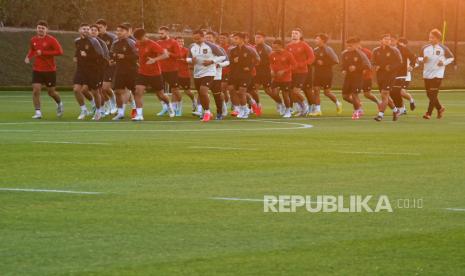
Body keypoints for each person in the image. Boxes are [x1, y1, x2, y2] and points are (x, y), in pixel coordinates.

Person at [24, 20, 64, 119]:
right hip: (37, 69)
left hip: (50, 70)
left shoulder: (51, 40)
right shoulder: (33, 40)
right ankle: (38, 113)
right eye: (39, 28)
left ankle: (59, 103)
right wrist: (28, 57)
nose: (41, 29)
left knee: (51, 92)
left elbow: (60, 52)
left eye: (43, 28)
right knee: (36, 90)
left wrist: (44, 52)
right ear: (36, 29)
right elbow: (32, 50)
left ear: (46, 29)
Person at [187, 30, 227, 122]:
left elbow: (223, 58)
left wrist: (212, 61)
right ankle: (206, 112)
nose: (196, 40)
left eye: (198, 38)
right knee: (201, 94)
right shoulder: (192, 46)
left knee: (208, 92)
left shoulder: (213, 47)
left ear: (203, 37)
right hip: (197, 73)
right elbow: (188, 59)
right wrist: (191, 61)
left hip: (212, 73)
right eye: (194, 38)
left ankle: (218, 112)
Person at [133, 28, 171, 121]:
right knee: (137, 92)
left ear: (144, 36)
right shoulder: (137, 43)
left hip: (155, 73)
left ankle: (169, 106)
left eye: (140, 39)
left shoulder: (152, 44)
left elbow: (166, 55)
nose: (138, 41)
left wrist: (154, 60)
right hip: (142, 73)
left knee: (161, 95)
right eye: (137, 39)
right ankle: (139, 115)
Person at [418, 29, 454, 119]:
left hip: (438, 74)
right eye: (430, 37)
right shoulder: (424, 48)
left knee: (433, 94)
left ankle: (428, 113)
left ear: (438, 39)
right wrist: (423, 60)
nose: (430, 39)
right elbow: (419, 58)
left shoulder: (443, 48)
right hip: (426, 74)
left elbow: (451, 58)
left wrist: (443, 63)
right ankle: (440, 108)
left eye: (432, 38)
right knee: (429, 94)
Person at [109, 24, 138, 120]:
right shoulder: (115, 43)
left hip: (131, 70)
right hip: (119, 69)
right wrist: (112, 59)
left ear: (127, 32)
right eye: (117, 31)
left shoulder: (132, 42)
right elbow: (112, 54)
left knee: (135, 91)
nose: (118, 32)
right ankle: (120, 113)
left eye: (121, 31)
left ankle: (137, 111)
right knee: (117, 91)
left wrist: (125, 57)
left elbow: (137, 56)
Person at [372, 34, 402, 122]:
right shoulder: (376, 50)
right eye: (385, 39)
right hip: (380, 76)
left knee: (384, 94)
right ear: (380, 40)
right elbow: (372, 62)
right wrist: (375, 66)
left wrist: (391, 67)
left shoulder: (394, 50)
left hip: (390, 76)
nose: (387, 41)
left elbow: (400, 62)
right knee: (386, 96)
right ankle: (396, 111)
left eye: (389, 39)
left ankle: (380, 115)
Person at [228, 32, 259, 119]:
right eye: (234, 39)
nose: (234, 40)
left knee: (242, 92)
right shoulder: (232, 50)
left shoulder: (249, 50)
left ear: (242, 39)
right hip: (234, 74)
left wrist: (249, 67)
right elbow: (230, 61)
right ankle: (240, 108)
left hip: (245, 75)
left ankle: (245, 110)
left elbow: (257, 60)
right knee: (232, 90)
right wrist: (234, 61)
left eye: (236, 39)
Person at [310, 33, 342, 116]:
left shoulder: (328, 50)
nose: (315, 40)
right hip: (317, 74)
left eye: (317, 39)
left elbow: (336, 61)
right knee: (316, 90)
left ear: (322, 40)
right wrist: (312, 62)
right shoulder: (315, 50)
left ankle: (338, 103)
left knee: (326, 92)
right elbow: (313, 62)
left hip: (326, 74)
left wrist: (324, 63)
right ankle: (318, 110)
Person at [341, 37, 372, 120]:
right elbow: (344, 65)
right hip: (348, 77)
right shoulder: (344, 53)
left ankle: (357, 111)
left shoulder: (361, 54)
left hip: (358, 77)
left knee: (355, 94)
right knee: (345, 96)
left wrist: (356, 68)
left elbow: (368, 66)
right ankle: (359, 106)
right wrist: (344, 70)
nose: (348, 48)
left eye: (350, 46)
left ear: (356, 45)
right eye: (347, 46)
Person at [286, 28, 314, 116]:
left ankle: (305, 105)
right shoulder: (288, 46)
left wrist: (302, 64)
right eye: (293, 33)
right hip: (291, 72)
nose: (294, 35)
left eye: (296, 33)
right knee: (291, 93)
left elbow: (312, 58)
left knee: (296, 91)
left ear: (300, 35)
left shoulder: (304, 45)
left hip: (301, 72)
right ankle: (302, 108)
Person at [254, 32, 283, 115]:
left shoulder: (268, 49)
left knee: (268, 91)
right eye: (256, 37)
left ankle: (280, 103)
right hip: (256, 72)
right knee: (254, 89)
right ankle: (257, 106)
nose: (257, 39)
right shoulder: (254, 47)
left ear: (263, 39)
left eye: (259, 37)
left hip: (265, 72)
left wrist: (272, 70)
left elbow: (273, 61)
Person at [157, 26, 183, 116]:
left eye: (162, 33)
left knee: (175, 90)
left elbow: (179, 55)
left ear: (167, 33)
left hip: (172, 70)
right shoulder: (158, 43)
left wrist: (169, 53)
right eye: (159, 33)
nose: (160, 35)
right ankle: (165, 107)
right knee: (158, 90)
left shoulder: (173, 42)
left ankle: (178, 107)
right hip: (160, 70)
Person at [205, 31, 230, 120]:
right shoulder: (201, 49)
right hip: (203, 75)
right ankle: (205, 112)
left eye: (210, 37)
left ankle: (220, 111)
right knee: (202, 93)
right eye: (206, 37)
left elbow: (227, 62)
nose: (208, 39)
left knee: (217, 95)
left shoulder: (220, 49)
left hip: (216, 76)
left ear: (214, 39)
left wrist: (219, 65)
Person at [269, 39, 297, 118]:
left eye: (276, 47)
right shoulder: (272, 54)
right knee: (273, 93)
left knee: (285, 95)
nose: (274, 49)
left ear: (281, 46)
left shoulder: (288, 54)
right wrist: (271, 70)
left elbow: (294, 65)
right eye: (273, 48)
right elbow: (271, 63)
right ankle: (280, 104)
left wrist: (284, 71)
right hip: (275, 78)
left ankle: (288, 111)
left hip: (286, 79)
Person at [391, 35, 417, 116]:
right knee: (393, 92)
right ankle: (402, 109)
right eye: (389, 40)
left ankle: (402, 108)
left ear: (396, 40)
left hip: (401, 74)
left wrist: (412, 66)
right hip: (391, 74)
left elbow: (413, 57)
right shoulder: (388, 49)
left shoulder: (403, 48)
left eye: (392, 40)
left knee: (398, 91)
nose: (390, 42)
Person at [96, 19, 118, 115]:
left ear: (105, 27)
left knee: (105, 88)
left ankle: (114, 103)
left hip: (110, 65)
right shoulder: (95, 38)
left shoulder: (112, 37)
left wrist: (113, 60)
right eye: (97, 27)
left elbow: (117, 50)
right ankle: (107, 106)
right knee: (100, 89)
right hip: (100, 66)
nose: (98, 29)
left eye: (100, 27)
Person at [73, 24, 95, 120]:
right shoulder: (77, 41)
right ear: (79, 30)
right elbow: (78, 51)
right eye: (84, 29)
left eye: (87, 29)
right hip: (80, 69)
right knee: (76, 90)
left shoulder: (93, 41)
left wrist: (87, 55)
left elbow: (97, 55)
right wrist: (76, 56)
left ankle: (96, 105)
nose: (86, 30)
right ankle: (84, 110)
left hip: (90, 70)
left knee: (85, 90)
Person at [176, 36, 197, 113]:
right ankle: (177, 108)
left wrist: (183, 60)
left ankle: (193, 100)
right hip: (174, 74)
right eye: (179, 41)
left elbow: (191, 60)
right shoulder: (173, 50)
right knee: (175, 90)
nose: (180, 43)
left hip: (184, 74)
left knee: (187, 91)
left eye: (182, 41)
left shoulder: (186, 50)